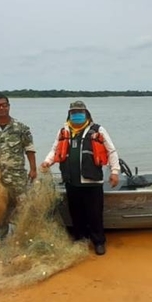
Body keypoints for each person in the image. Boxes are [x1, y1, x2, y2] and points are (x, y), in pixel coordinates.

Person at [40, 101, 120, 255]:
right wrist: (47, 161)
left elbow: (111, 151)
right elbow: (54, 149)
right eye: (74, 112)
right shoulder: (64, 131)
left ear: (86, 113)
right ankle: (80, 239)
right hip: (71, 181)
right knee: (76, 213)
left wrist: (114, 171)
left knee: (95, 214)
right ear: (69, 114)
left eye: (80, 112)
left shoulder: (98, 130)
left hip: (92, 182)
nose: (77, 115)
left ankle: (98, 242)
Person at [0, 93, 37, 240]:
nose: (2, 108)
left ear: (9, 106)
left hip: (17, 177)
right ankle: (1, 239)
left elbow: (29, 149)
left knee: (21, 208)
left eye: (4, 105)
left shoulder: (21, 128)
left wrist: (33, 169)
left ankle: (20, 238)